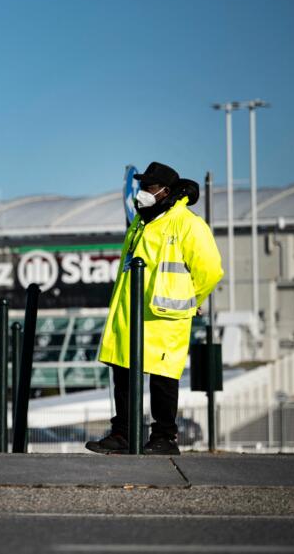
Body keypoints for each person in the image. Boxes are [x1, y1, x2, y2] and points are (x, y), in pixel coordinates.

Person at [86, 162, 223, 455]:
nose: (143, 193)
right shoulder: (141, 220)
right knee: (122, 373)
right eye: (142, 187)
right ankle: (123, 432)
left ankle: (164, 437)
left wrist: (194, 300)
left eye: (149, 188)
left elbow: (211, 270)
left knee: (162, 378)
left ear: (165, 192)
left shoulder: (187, 223)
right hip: (130, 313)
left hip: (163, 315)